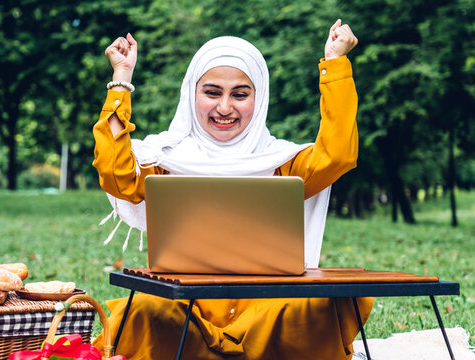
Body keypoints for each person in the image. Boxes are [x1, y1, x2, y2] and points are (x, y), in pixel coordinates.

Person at [92, 20, 371, 360]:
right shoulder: (166, 158)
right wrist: (121, 80)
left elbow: (338, 154)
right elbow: (115, 174)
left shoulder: (281, 161)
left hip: (265, 312)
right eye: (212, 93)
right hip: (185, 311)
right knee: (140, 310)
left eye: (240, 95)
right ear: (192, 93)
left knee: (331, 299)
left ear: (259, 97)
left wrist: (335, 62)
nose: (225, 108)